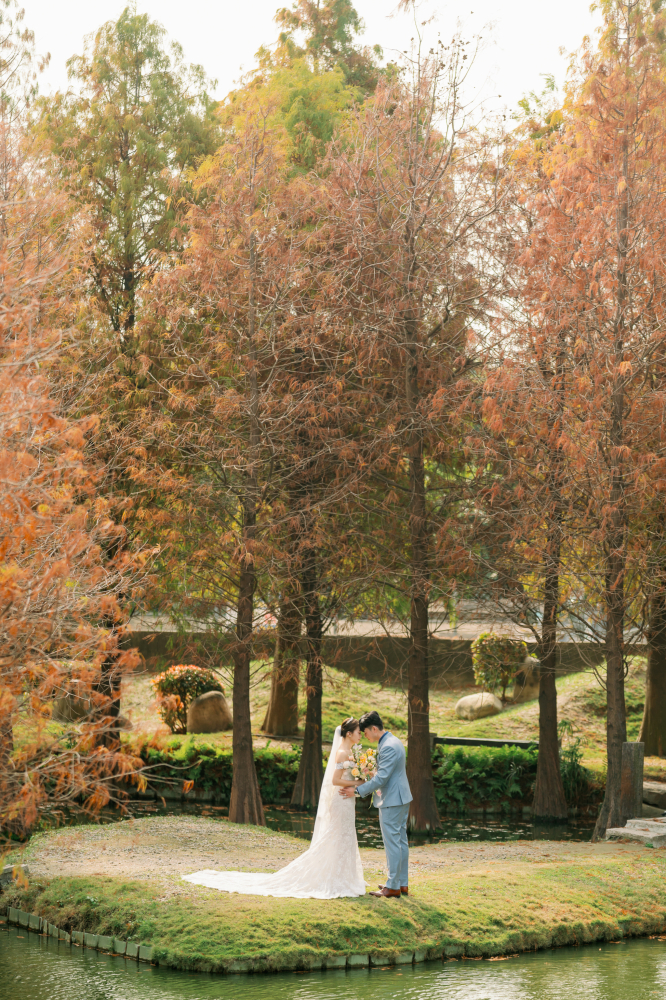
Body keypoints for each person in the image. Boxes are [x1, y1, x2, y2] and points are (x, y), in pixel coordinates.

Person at [182, 717, 367, 898]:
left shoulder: (350, 752)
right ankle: (333, 877)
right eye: (359, 732)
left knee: (345, 836)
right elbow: (335, 780)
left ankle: (343, 876)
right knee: (337, 836)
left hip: (347, 800)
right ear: (349, 733)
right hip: (341, 800)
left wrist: (362, 775)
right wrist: (358, 781)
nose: (361, 735)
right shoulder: (343, 752)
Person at [339, 710, 412, 898]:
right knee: (401, 841)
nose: (365, 736)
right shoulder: (393, 741)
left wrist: (356, 791)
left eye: (365, 732)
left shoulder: (388, 746)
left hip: (392, 800)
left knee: (393, 843)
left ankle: (393, 886)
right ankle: (401, 883)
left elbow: (381, 779)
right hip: (401, 798)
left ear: (373, 728)